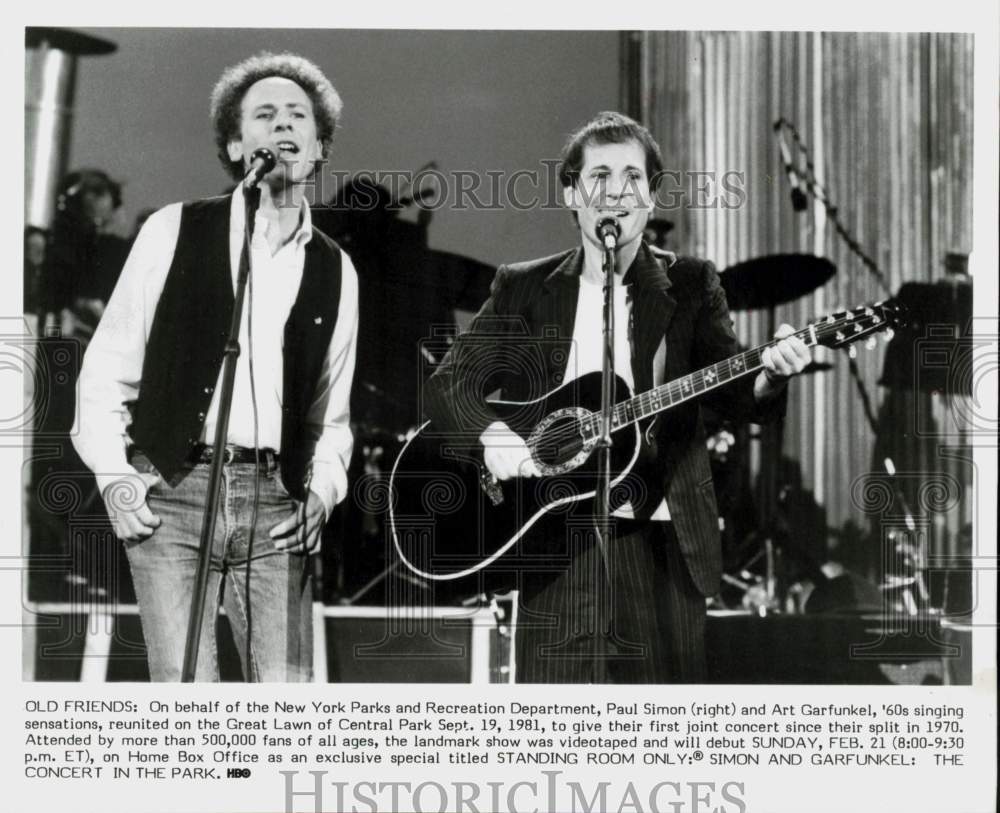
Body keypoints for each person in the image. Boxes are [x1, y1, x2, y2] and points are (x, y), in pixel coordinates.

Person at [423, 112, 811, 683]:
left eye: (632, 177)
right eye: (598, 176)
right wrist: (495, 435)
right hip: (553, 545)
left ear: (651, 198)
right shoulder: (525, 286)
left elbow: (737, 397)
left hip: (661, 544)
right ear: (571, 194)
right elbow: (449, 383)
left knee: (665, 742)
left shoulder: (691, 284)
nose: (615, 192)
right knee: (553, 738)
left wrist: (771, 374)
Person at [72, 52, 359, 682]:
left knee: (286, 707)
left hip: (275, 503)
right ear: (235, 145)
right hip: (172, 494)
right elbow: (106, 370)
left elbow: (330, 414)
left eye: (298, 116)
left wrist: (323, 491)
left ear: (318, 148)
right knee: (189, 704)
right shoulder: (173, 230)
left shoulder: (338, 269)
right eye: (264, 115)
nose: (283, 125)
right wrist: (116, 478)